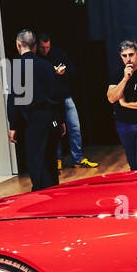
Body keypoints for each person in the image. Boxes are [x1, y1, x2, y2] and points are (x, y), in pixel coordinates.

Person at [7, 29, 64, 191]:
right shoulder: (47, 66)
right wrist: (61, 120)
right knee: (51, 159)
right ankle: (54, 192)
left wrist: (13, 125)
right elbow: (58, 95)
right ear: (34, 46)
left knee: (36, 160)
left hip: (33, 120)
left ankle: (41, 195)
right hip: (51, 117)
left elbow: (14, 99)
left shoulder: (18, 67)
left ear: (18, 45)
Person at [38, 32, 97, 169]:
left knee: (74, 126)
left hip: (64, 96)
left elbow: (73, 70)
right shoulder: (37, 59)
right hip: (50, 99)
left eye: (47, 47)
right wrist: (51, 72)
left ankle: (78, 157)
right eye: (42, 48)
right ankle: (57, 159)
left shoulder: (58, 53)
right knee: (55, 128)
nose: (45, 51)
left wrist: (64, 71)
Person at [106, 40, 137, 170]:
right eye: (125, 56)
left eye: (131, 54)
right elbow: (112, 98)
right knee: (133, 165)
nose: (128, 59)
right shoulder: (117, 74)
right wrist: (125, 79)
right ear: (120, 56)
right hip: (124, 124)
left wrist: (126, 104)